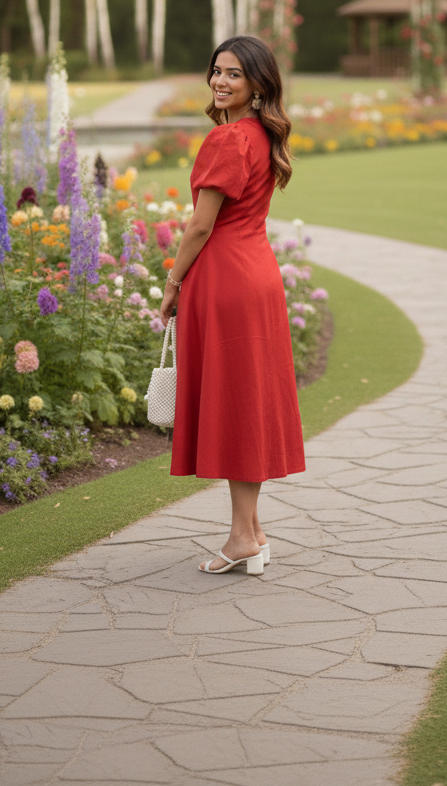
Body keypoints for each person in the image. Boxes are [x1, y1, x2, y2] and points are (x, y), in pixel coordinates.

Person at [160, 34, 306, 574]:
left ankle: (243, 535)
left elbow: (201, 225)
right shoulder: (262, 137)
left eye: (234, 74)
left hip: (224, 281)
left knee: (236, 404)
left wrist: (173, 281)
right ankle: (251, 530)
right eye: (216, 70)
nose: (220, 80)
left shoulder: (225, 142)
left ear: (257, 84)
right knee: (248, 401)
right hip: (258, 275)